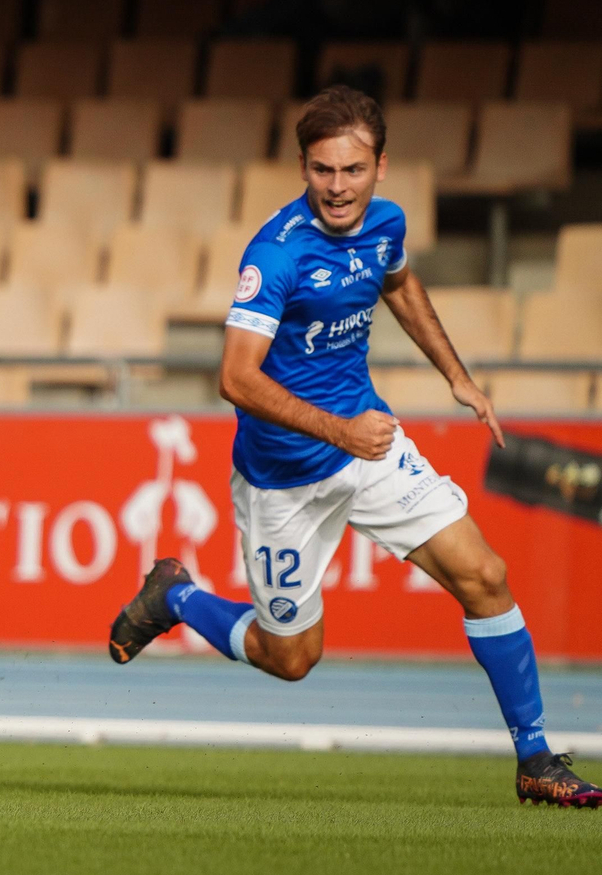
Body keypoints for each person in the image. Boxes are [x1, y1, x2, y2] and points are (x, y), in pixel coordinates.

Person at [108, 85, 600, 808]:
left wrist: (459, 378)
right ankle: (176, 595)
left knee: (486, 575)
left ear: (380, 167)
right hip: (283, 477)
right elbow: (234, 378)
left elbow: (398, 284)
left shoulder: (387, 223)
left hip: (369, 448)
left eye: (352, 170)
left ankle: (534, 757)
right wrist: (340, 431)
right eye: (322, 170)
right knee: (292, 657)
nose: (338, 187)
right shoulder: (275, 254)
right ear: (304, 168)